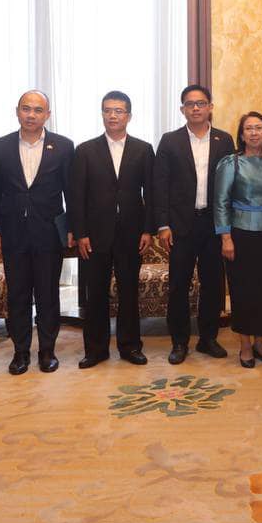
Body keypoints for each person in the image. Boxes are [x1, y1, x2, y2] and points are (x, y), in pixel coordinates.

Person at [0, 90, 74, 375]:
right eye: (26, 109)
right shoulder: (1, 146)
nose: (31, 115)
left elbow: (71, 192)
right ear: (17, 111)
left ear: (47, 115)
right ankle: (20, 351)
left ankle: (47, 350)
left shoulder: (63, 146)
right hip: (13, 232)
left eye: (38, 110)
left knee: (48, 293)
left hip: (48, 232)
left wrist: (73, 228)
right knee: (18, 295)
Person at [70, 91, 155, 368]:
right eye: (107, 110)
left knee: (129, 291)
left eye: (118, 111)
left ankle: (130, 346)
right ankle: (96, 350)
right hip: (95, 235)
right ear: (102, 114)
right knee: (95, 293)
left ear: (129, 115)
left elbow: (151, 193)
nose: (113, 115)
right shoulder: (85, 150)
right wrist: (80, 233)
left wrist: (148, 230)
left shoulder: (143, 149)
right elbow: (76, 196)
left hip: (132, 233)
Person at [154, 85, 236, 364]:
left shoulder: (224, 140)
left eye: (201, 103)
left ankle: (208, 338)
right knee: (179, 285)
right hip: (180, 226)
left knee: (213, 284)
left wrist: (228, 227)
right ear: (182, 109)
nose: (196, 108)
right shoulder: (170, 141)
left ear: (210, 107)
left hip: (214, 225)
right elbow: (160, 185)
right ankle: (179, 342)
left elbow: (231, 185)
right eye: (190, 104)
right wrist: (163, 225)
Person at [213, 112, 262, 368]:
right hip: (240, 235)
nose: (254, 132)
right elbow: (221, 202)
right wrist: (226, 237)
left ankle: (260, 342)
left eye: (259, 128)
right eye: (249, 128)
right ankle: (245, 345)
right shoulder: (231, 163)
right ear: (242, 134)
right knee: (243, 291)